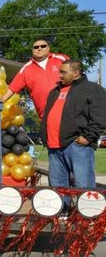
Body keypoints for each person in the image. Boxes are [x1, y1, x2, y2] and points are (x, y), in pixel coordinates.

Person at [40, 59, 106, 191]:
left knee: (83, 187)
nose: (60, 75)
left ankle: (85, 211)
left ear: (76, 73)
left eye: (63, 72)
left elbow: (101, 116)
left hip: (77, 145)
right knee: (58, 188)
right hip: (53, 146)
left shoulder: (92, 89)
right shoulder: (55, 91)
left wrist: (88, 137)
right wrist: (45, 137)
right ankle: (64, 211)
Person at [1, 39, 69, 119]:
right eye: (36, 47)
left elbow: (77, 75)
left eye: (43, 46)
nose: (39, 48)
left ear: (48, 48)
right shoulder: (26, 69)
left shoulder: (61, 59)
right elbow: (12, 88)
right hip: (46, 117)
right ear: (32, 50)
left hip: (68, 112)